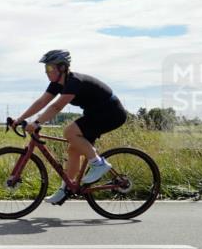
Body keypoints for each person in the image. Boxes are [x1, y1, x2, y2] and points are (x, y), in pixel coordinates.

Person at [13, 50, 127, 205]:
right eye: (45, 68)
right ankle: (66, 189)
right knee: (73, 149)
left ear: (62, 68)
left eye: (49, 68)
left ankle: (99, 164)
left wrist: (37, 123)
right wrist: (20, 119)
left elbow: (56, 107)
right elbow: (41, 102)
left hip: (111, 112)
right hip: (95, 113)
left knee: (69, 131)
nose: (46, 72)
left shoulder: (74, 81)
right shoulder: (57, 84)